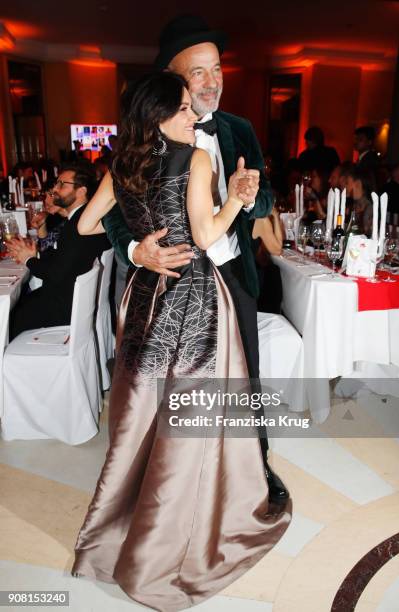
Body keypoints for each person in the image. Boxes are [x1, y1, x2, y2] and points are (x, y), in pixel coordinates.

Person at [71, 72, 291, 612]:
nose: (196, 117)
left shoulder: (122, 165)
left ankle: (120, 530)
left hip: (144, 296)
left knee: (142, 411)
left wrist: (137, 246)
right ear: (162, 112)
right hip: (192, 297)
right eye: (187, 108)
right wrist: (239, 198)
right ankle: (167, 546)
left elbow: (85, 226)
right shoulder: (194, 160)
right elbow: (208, 235)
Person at [102, 15, 288, 503]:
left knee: (245, 376)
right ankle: (169, 483)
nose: (213, 81)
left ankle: (255, 469)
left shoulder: (239, 129)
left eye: (218, 68)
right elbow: (112, 213)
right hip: (172, 274)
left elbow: (265, 198)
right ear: (173, 81)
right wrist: (133, 249)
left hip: (232, 272)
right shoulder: (143, 140)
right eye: (198, 72)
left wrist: (247, 196)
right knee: (170, 381)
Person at [7, 163, 111, 339]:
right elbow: (63, 260)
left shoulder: (79, 226)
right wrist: (35, 255)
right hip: (70, 301)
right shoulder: (81, 218)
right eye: (57, 183)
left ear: (81, 191)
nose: (55, 189)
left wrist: (28, 260)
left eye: (62, 184)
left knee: (9, 316)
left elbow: (55, 273)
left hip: (61, 311)